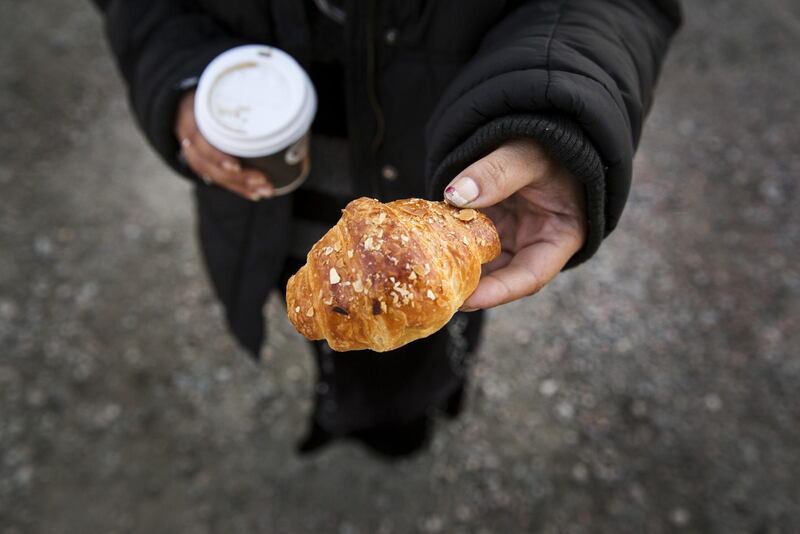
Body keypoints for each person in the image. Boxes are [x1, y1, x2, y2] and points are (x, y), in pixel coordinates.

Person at [91, 0, 681, 457]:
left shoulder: (460, 239)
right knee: (326, 323)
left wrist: (554, 113)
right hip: (269, 206)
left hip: (455, 170)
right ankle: (356, 401)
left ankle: (401, 422)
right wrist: (181, 77)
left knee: (416, 358)